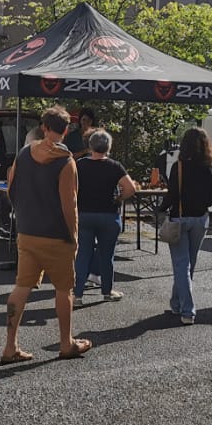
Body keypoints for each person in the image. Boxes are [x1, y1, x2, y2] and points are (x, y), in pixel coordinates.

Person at [0, 104, 90, 364]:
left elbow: (10, 188)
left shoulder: (24, 153)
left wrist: (23, 213)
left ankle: (10, 346)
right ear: (66, 130)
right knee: (63, 289)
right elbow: (69, 204)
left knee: (21, 287)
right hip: (57, 235)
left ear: (44, 127)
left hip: (28, 231)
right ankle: (66, 343)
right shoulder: (67, 162)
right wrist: (74, 237)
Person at [162, 127, 212, 325]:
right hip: (200, 219)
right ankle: (176, 303)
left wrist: (161, 208)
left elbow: (171, 195)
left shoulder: (178, 167)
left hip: (180, 218)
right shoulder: (209, 168)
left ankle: (187, 310)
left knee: (181, 265)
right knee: (188, 264)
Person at [73, 129, 136, 306]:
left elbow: (71, 187)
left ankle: (77, 295)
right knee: (107, 255)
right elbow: (130, 189)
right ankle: (107, 291)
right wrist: (119, 199)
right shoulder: (115, 166)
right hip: (109, 215)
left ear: (90, 146)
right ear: (108, 147)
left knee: (83, 254)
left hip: (85, 215)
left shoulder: (80, 165)